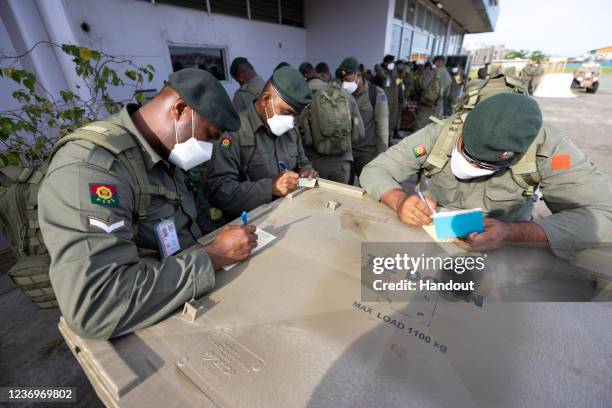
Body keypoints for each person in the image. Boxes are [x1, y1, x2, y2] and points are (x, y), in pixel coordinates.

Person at [38, 69, 258, 339]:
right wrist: (214, 255)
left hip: (187, 296)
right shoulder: (92, 170)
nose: (210, 148)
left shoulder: (166, 151)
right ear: (179, 110)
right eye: (209, 135)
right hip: (145, 331)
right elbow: (97, 304)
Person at [360, 93, 612, 261]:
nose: (468, 165)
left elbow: (603, 214)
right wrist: (399, 200)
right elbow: (376, 170)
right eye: (464, 152)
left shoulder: (549, 148)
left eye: (480, 164)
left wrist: (512, 233)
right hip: (435, 235)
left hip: (505, 250)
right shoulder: (440, 133)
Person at [204, 67, 318, 219]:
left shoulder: (291, 130)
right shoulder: (232, 134)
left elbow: (303, 161)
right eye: (287, 112)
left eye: (295, 115)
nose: (291, 121)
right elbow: (219, 191)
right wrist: (270, 188)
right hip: (253, 222)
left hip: (291, 213)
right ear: (265, 100)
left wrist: (307, 171)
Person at [337, 57, 389, 184]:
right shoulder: (343, 94)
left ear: (358, 75)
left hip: (367, 154)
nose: (345, 84)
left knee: (368, 188)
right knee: (345, 189)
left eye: (348, 80)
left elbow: (382, 125)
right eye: (343, 80)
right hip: (347, 152)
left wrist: (381, 154)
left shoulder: (376, 94)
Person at [374, 55, 400, 139]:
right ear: (386, 62)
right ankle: (382, 139)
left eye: (394, 62)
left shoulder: (394, 71)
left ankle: (389, 139)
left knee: (391, 121)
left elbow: (397, 83)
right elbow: (381, 79)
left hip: (394, 100)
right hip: (384, 101)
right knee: (383, 121)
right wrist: (388, 72)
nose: (393, 64)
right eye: (392, 62)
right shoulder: (380, 71)